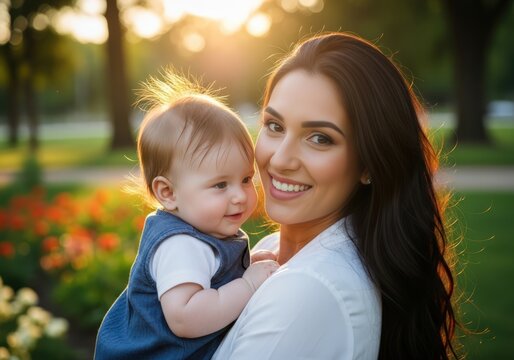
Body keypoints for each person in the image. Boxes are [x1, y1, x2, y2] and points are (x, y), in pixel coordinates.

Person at [213, 32, 459, 359]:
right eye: (274, 126)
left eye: (319, 138)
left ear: (369, 163)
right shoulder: (273, 252)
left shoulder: (307, 290)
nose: (280, 159)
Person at [94, 71, 279, 359]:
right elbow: (185, 317)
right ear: (168, 193)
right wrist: (248, 284)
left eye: (245, 178)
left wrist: (242, 268)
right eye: (220, 184)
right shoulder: (179, 245)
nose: (240, 195)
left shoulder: (202, 232)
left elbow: (211, 277)